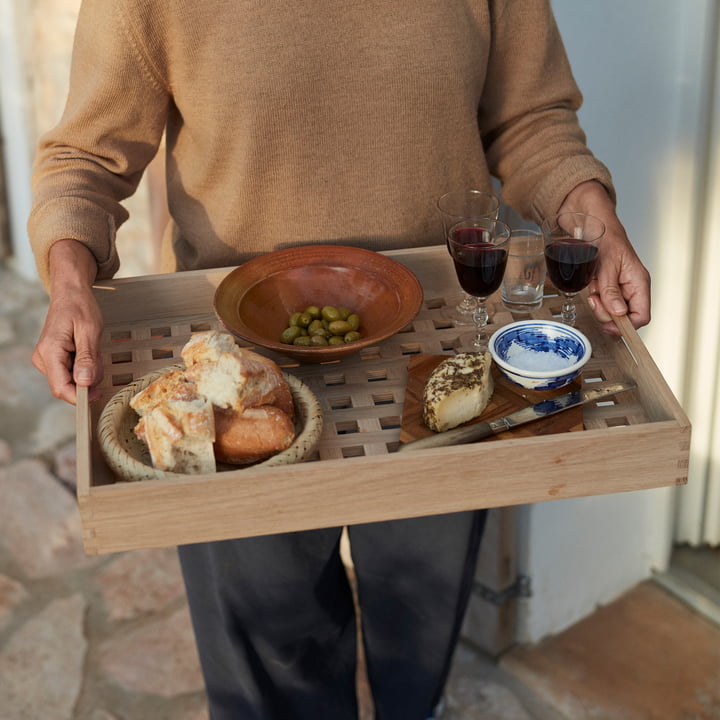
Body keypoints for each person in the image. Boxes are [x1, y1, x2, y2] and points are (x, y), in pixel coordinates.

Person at [27, 1, 651, 718]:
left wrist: (588, 208)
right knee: (272, 664)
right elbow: (84, 159)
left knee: (418, 646)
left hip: (440, 357)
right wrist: (71, 279)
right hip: (241, 379)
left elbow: (532, 119)